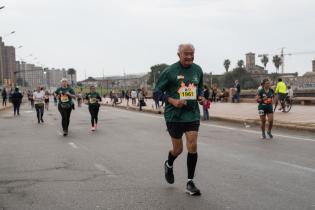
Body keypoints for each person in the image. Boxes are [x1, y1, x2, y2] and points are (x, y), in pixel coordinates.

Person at [154, 43, 205, 196]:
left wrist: (201, 96)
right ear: (179, 54)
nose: (189, 56)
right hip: (174, 115)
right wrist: (173, 101)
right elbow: (156, 93)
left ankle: (190, 182)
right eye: (186, 54)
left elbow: (200, 88)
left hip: (192, 114)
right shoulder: (169, 71)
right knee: (178, 149)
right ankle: (169, 164)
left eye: (191, 53)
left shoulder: (198, 69)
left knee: (193, 144)